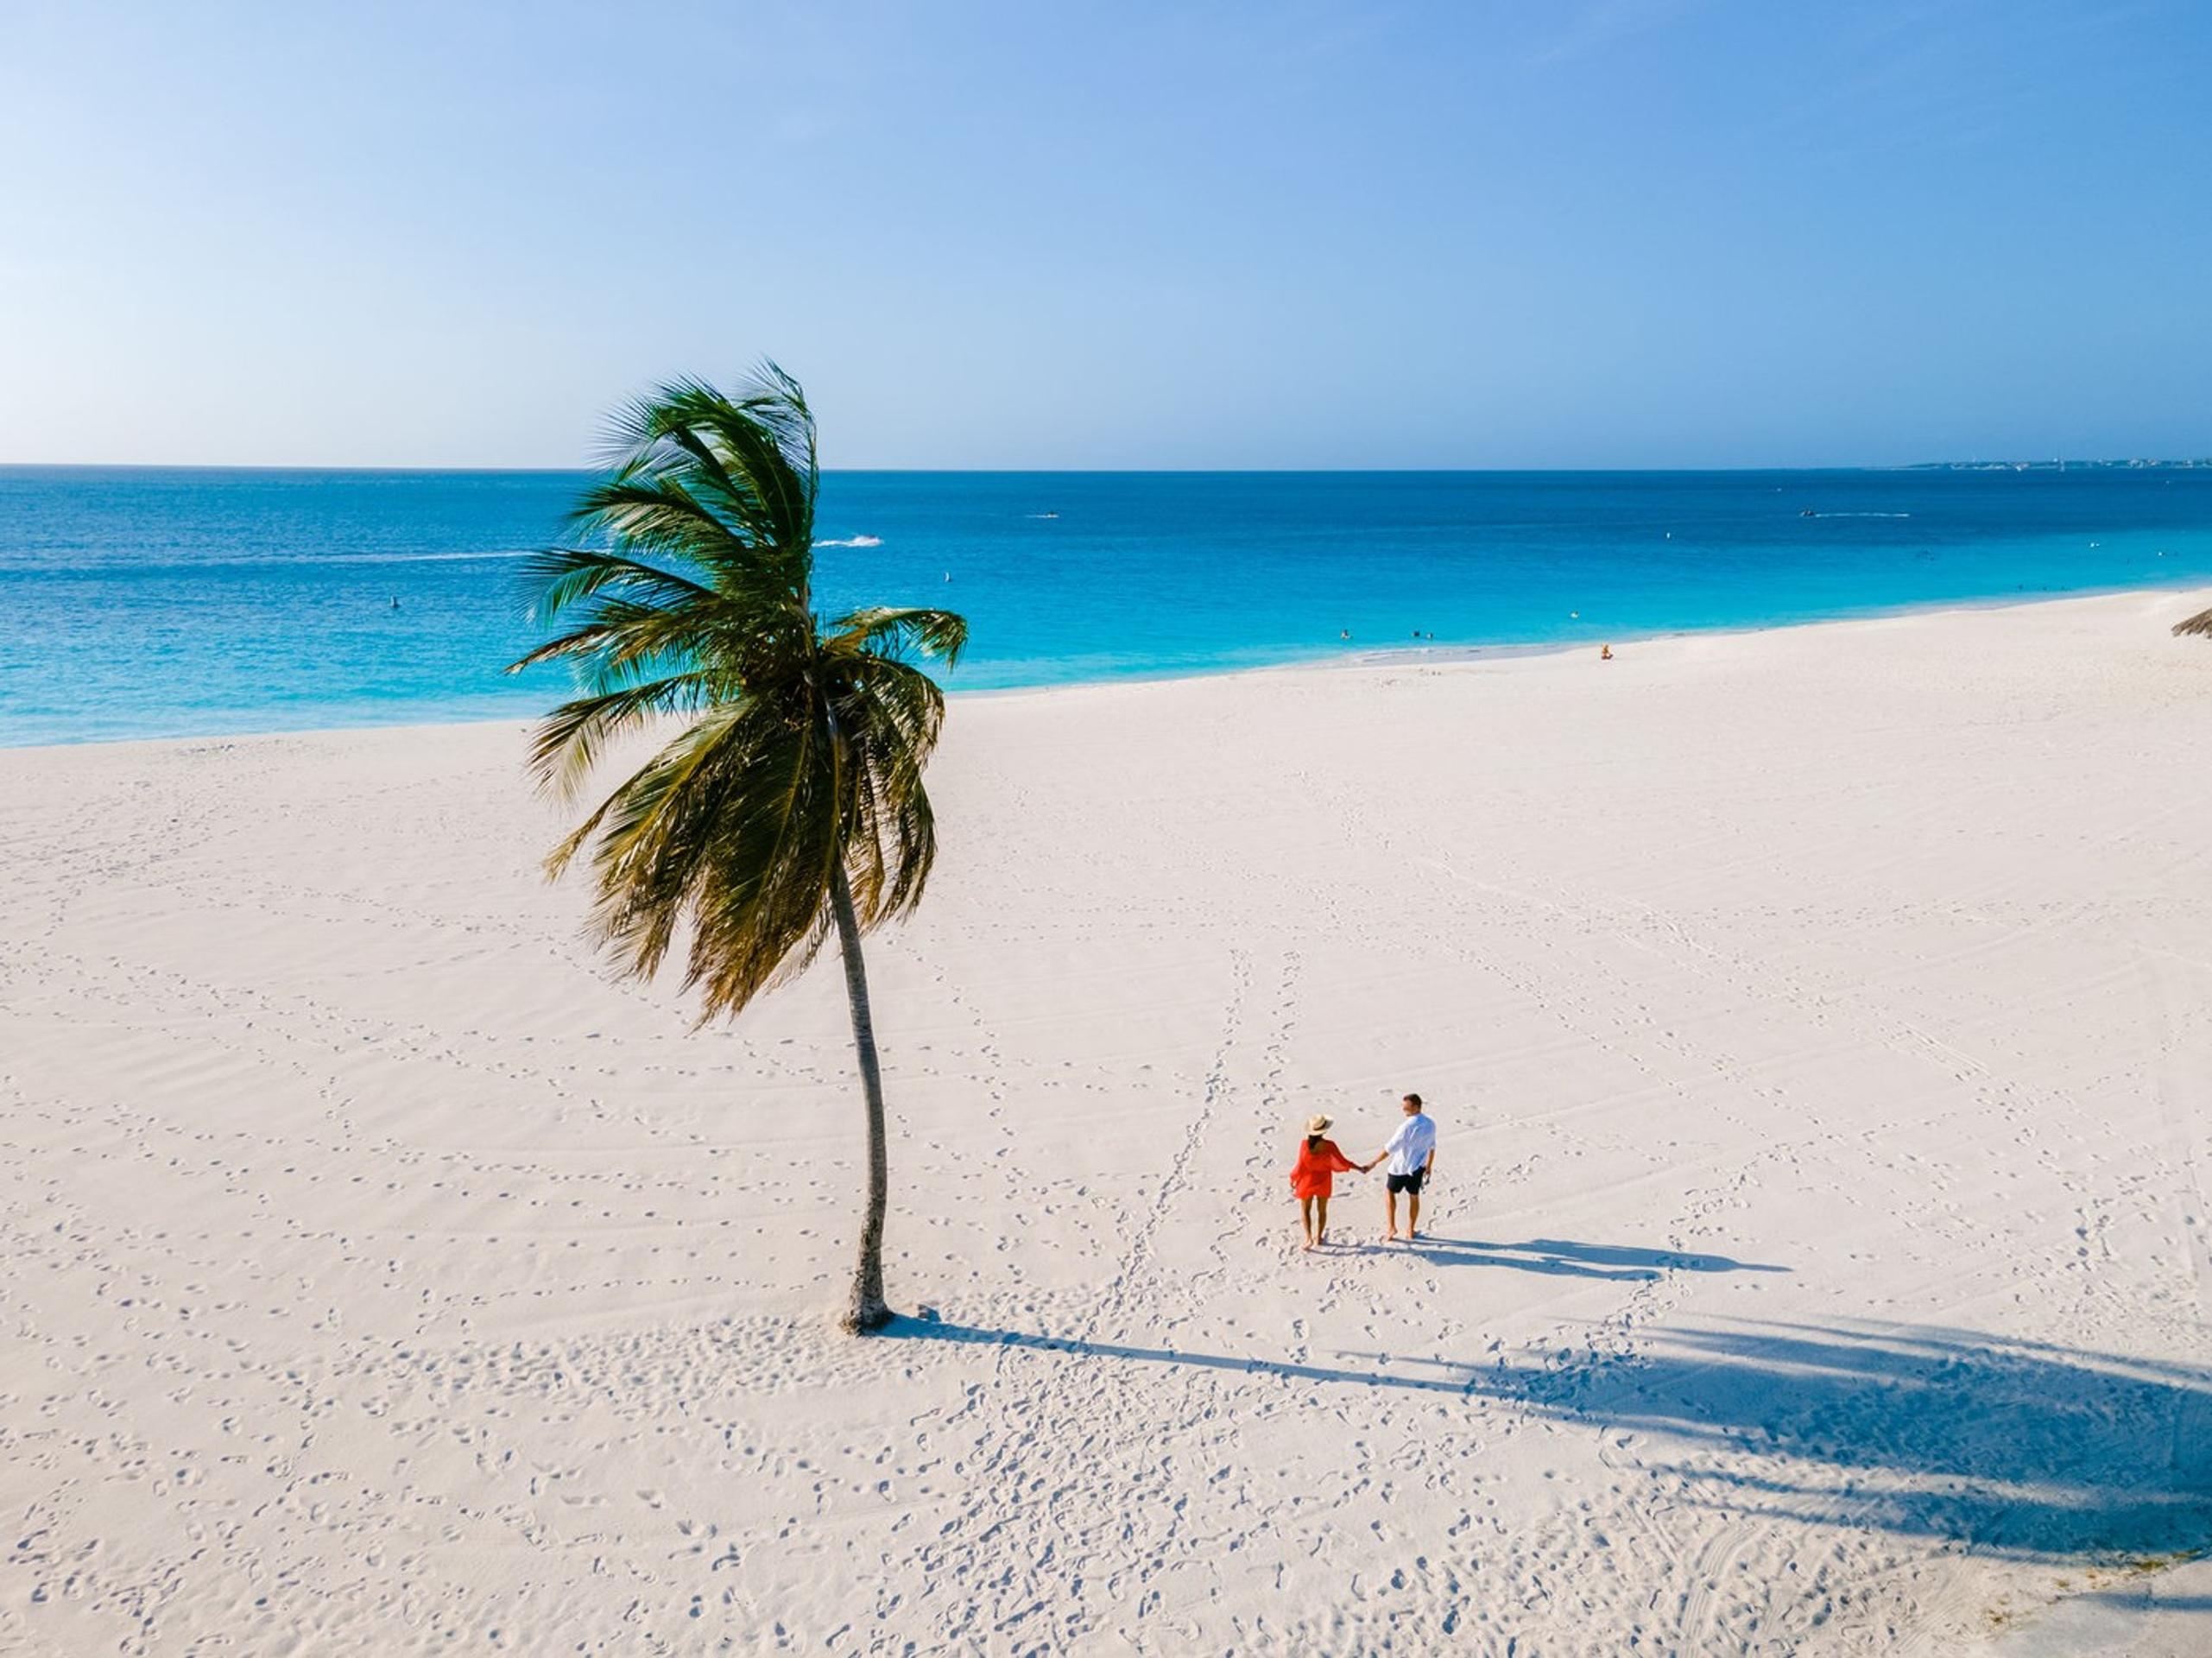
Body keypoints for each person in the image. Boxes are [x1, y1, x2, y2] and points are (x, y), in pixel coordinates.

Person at [1289, 1115, 1371, 1250]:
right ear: (1324, 1131)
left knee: (1305, 1210)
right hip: (1324, 1180)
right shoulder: (1330, 1146)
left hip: (1307, 1180)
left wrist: (1293, 1178)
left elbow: (1300, 1165)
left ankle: (1309, 1238)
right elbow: (1343, 1161)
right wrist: (1359, 1168)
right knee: (1322, 1211)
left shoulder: (1304, 1145)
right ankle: (1319, 1237)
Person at [1375, 1092, 1438, 1240]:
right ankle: (1410, 1229)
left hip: (1399, 1168)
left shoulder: (1406, 1126)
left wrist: (1374, 1162)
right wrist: (1429, 1166)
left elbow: (1390, 1148)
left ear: (1416, 1107)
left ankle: (1391, 1228)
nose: (1403, 1110)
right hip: (1417, 1168)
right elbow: (1432, 1147)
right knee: (1414, 1197)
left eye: (1406, 1108)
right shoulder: (1431, 1124)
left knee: (1389, 1192)